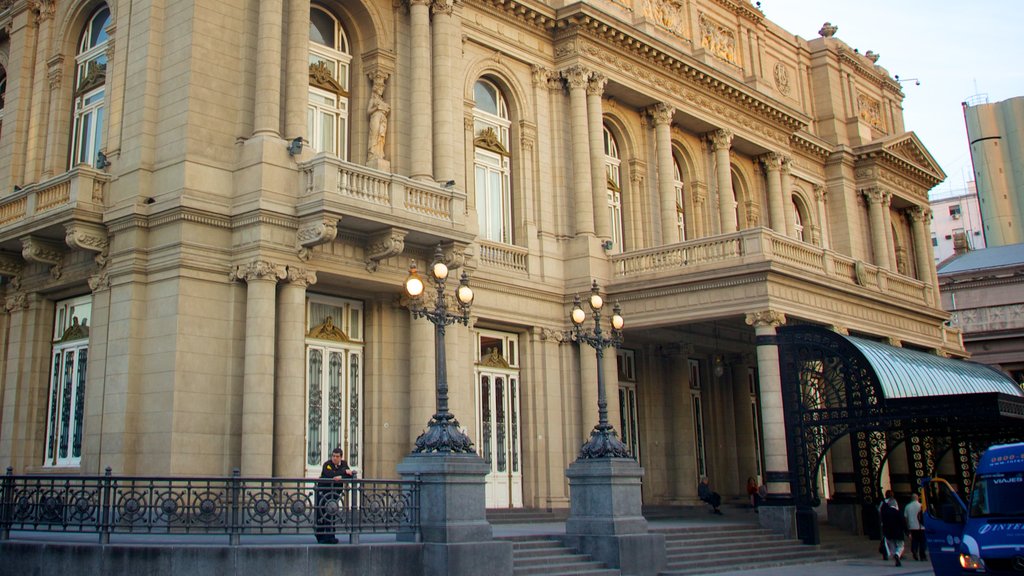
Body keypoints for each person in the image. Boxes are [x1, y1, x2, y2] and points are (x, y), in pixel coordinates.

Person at [315, 447, 355, 544]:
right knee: (321, 513)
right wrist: (343, 473)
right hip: (323, 492)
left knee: (331, 513)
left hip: (334, 493)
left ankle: (331, 536)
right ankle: (320, 537)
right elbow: (328, 474)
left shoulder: (344, 464)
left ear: (341, 457)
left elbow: (350, 475)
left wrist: (341, 476)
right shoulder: (327, 464)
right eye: (333, 456)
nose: (335, 458)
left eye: (337, 456)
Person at [880, 492, 906, 566]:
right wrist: (906, 531)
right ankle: (897, 555)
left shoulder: (885, 513)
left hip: (888, 532)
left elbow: (883, 522)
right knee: (900, 546)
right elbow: (902, 522)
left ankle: (894, 555)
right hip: (898, 532)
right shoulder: (898, 512)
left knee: (892, 546)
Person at [904, 492, 927, 561]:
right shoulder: (921, 506)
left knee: (914, 540)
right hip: (921, 527)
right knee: (922, 542)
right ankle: (922, 556)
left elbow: (906, 517)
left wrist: (907, 526)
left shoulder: (907, 506)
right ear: (917, 498)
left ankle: (914, 551)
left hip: (912, 526)